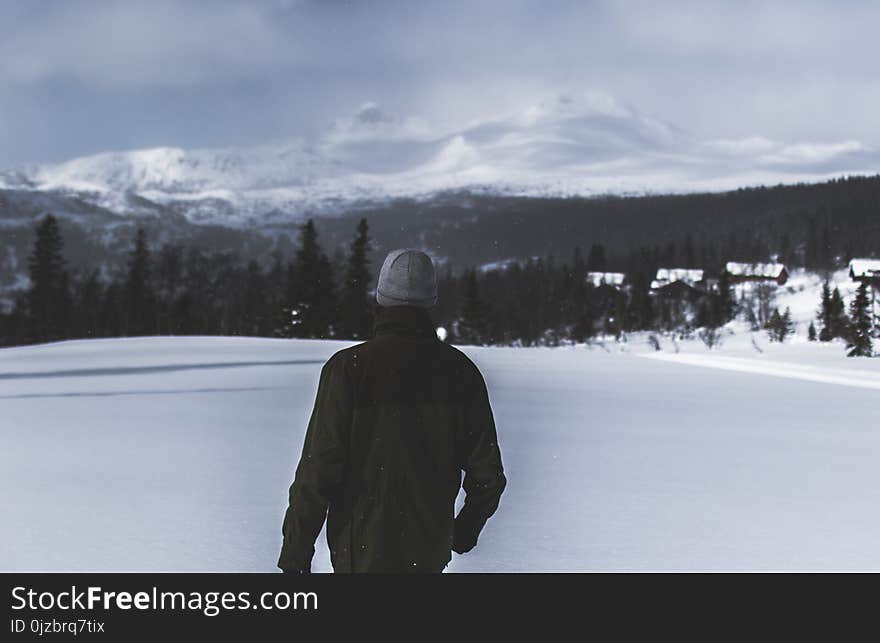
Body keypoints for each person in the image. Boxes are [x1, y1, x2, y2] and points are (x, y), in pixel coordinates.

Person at [278, 249, 506, 573]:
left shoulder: (348, 370)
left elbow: (318, 471)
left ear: (381, 297)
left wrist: (295, 553)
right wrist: (462, 532)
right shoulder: (461, 374)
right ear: (431, 300)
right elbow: (488, 477)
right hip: (428, 551)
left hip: (358, 550)